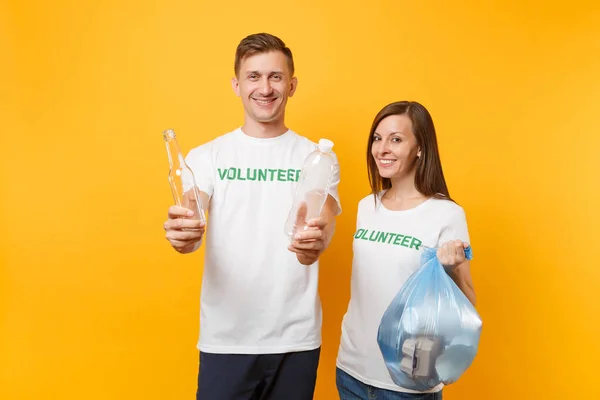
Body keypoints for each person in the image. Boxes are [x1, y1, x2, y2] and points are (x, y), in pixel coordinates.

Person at [162, 33, 342, 400]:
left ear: (291, 86)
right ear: (237, 85)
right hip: (226, 337)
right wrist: (186, 231)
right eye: (254, 76)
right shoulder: (207, 155)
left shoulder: (317, 157)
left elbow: (320, 226)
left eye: (276, 77)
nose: (265, 87)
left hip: (295, 337)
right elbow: (193, 204)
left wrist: (313, 244)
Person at [334, 101, 476, 399]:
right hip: (351, 369)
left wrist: (449, 269)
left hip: (409, 379)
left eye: (396, 139)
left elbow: (466, 304)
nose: (382, 148)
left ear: (420, 148)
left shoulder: (446, 214)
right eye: (377, 138)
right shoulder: (366, 206)